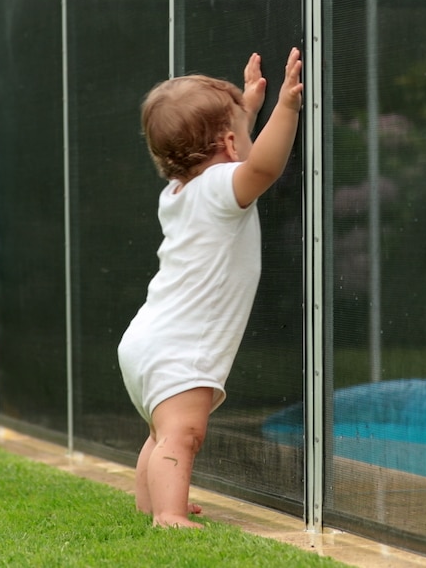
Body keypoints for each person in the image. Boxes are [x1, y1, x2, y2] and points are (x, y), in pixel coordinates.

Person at [117, 48, 303, 528]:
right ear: (229, 145)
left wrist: (247, 113)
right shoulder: (222, 187)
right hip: (179, 346)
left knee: (163, 434)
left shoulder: (178, 194)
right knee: (183, 434)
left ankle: (153, 501)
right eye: (242, 130)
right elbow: (262, 167)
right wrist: (285, 108)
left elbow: (237, 152)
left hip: (147, 341)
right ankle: (169, 515)